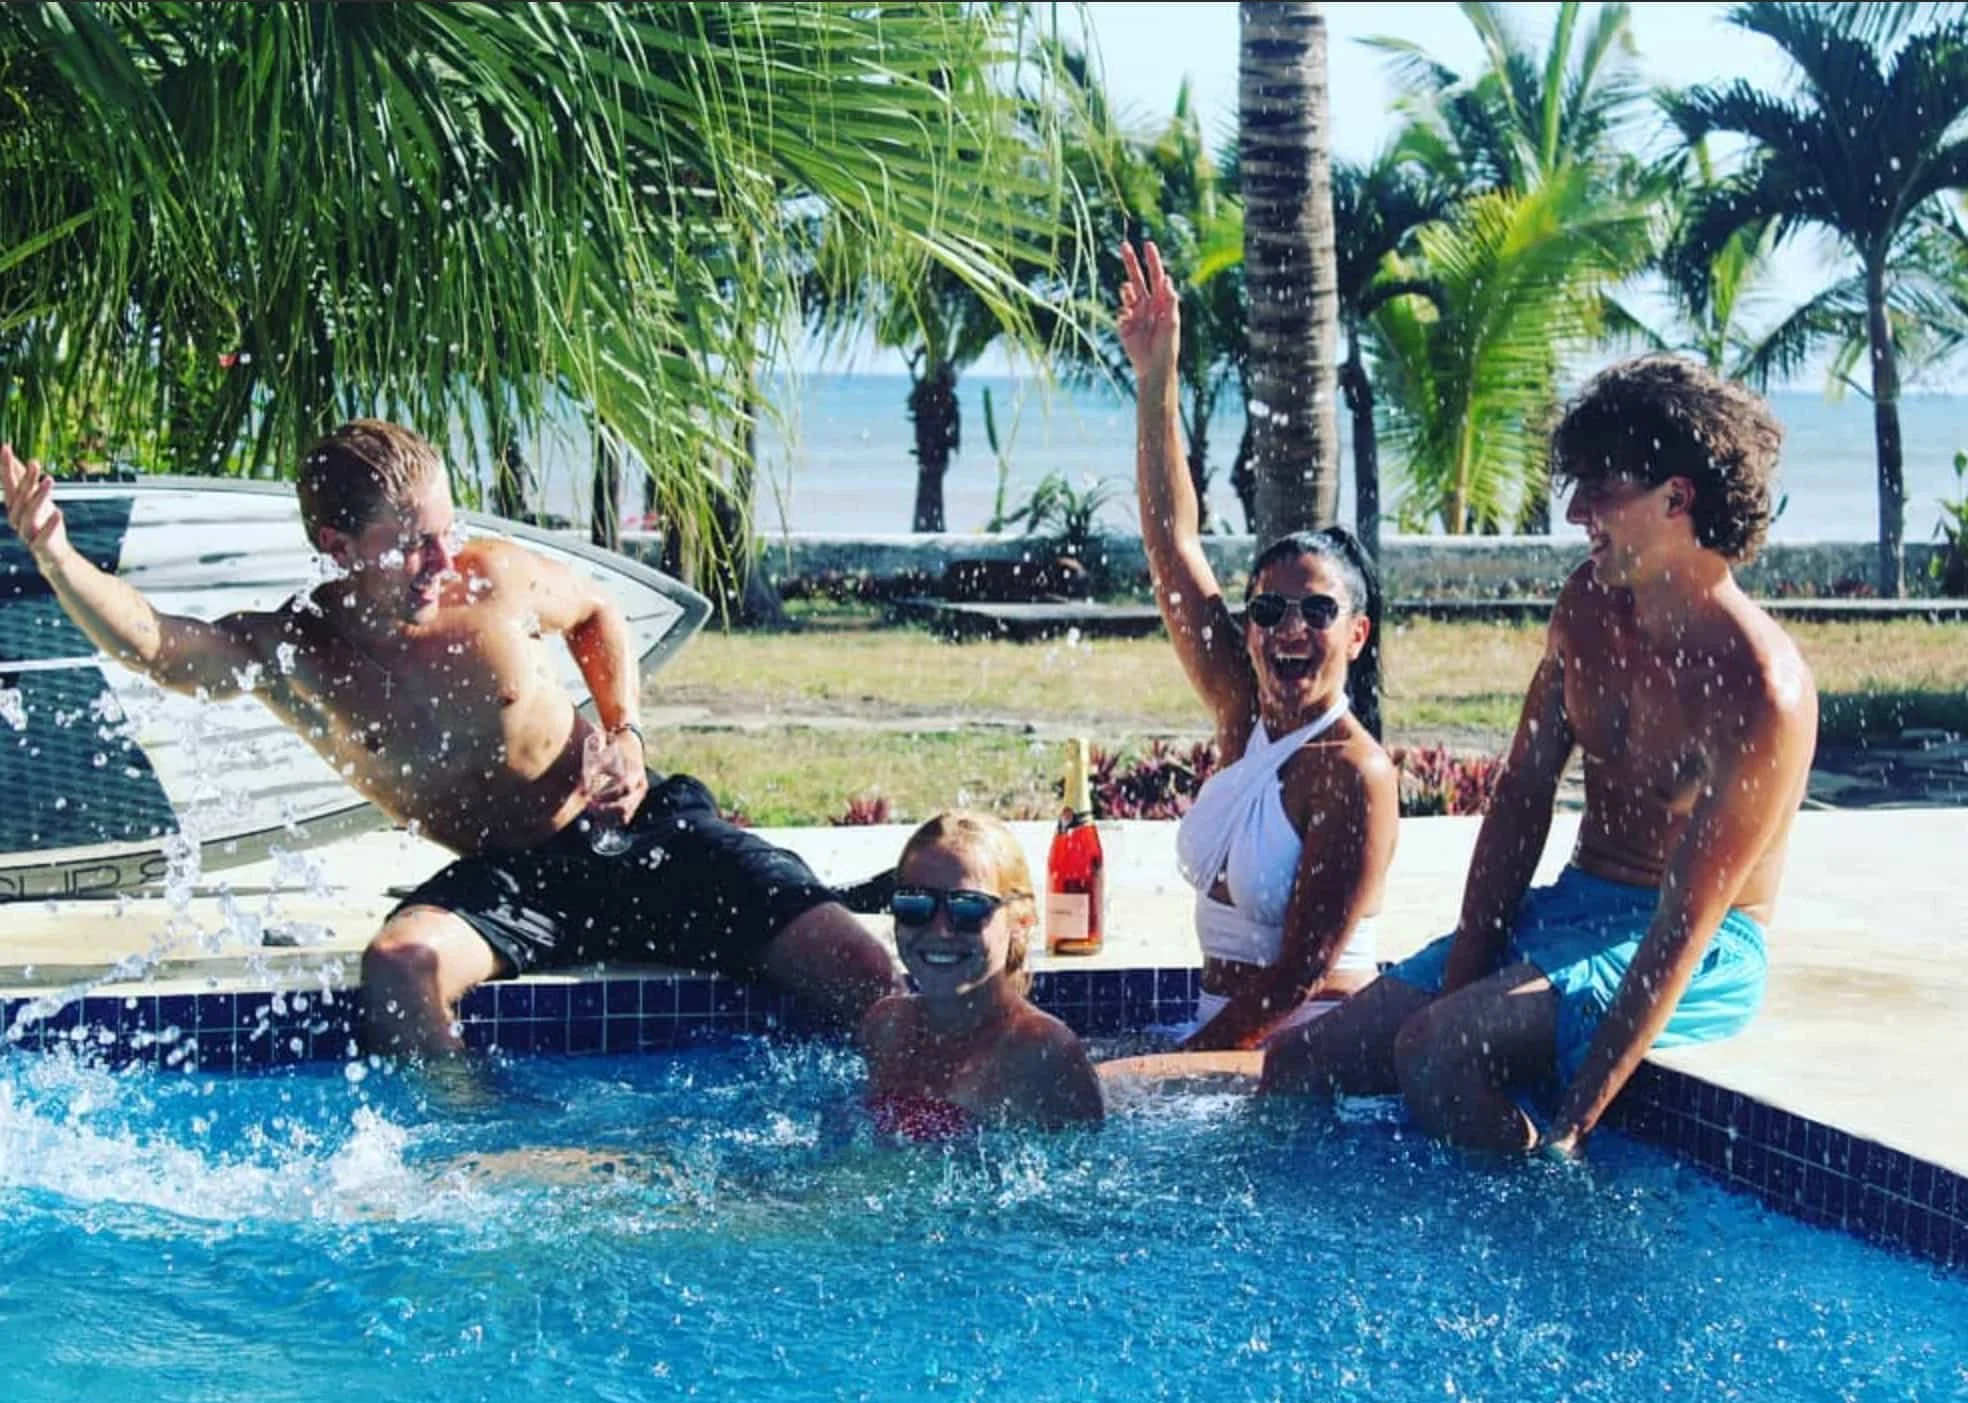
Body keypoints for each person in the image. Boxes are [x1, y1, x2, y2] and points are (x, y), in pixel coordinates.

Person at [1, 424, 897, 1058]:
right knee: (398, 969)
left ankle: (918, 1098)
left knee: (859, 967)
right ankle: (464, 1149)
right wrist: (57, 559)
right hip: (513, 882)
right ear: (337, 543)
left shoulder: (495, 582)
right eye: (414, 545)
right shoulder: (298, 653)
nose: (445, 560)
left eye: (447, 532)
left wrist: (622, 732)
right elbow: (161, 648)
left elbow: (596, 611)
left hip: (637, 834)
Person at [1261, 354, 1818, 1159]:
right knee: (1296, 1066)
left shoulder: (1763, 690)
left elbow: (1684, 928)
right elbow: (1522, 798)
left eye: (1601, 488)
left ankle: (1542, 1228)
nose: (1576, 511)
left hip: (1701, 946)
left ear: (1677, 497)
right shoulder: (1588, 605)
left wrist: (1572, 1129)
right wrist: (1461, 971)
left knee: (1436, 1054)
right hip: (1569, 910)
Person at [1114, 239, 1399, 1052]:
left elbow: (1295, 980)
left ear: (1357, 631)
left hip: (1311, 1054)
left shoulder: (1357, 775)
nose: (1290, 629)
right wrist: (1155, 378)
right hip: (1224, 1037)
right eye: (1269, 610)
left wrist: (1164, 1074)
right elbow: (1174, 543)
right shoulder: (1243, 715)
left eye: (1317, 609)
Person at [860, 812, 1104, 1137]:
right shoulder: (886, 1027)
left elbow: (1086, 1177)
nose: (940, 930)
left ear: (1021, 918)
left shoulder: (1043, 1052)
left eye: (968, 908)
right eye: (914, 904)